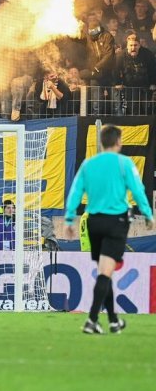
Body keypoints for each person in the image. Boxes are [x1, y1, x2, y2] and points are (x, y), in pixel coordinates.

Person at [65, 124, 154, 334]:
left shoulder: (88, 164)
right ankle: (92, 319)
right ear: (118, 142)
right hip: (116, 222)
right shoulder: (124, 163)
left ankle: (114, 320)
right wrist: (148, 214)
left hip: (94, 222)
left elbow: (76, 191)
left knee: (106, 270)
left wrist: (70, 219)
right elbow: (138, 190)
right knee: (106, 271)